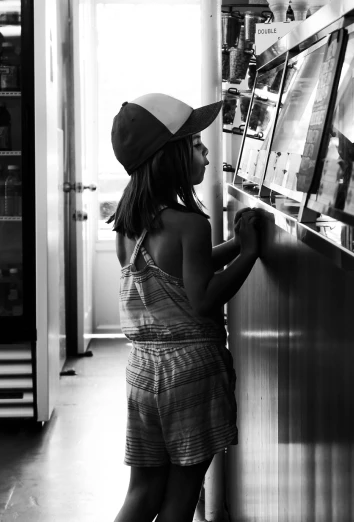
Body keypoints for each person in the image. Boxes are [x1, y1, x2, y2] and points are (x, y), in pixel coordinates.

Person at [107, 93, 263, 522]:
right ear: (169, 156)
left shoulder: (127, 224)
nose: (207, 154)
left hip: (143, 371)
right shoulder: (192, 223)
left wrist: (233, 245)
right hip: (190, 374)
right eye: (196, 145)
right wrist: (248, 254)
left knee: (141, 494)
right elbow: (203, 297)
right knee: (180, 500)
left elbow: (176, 277)